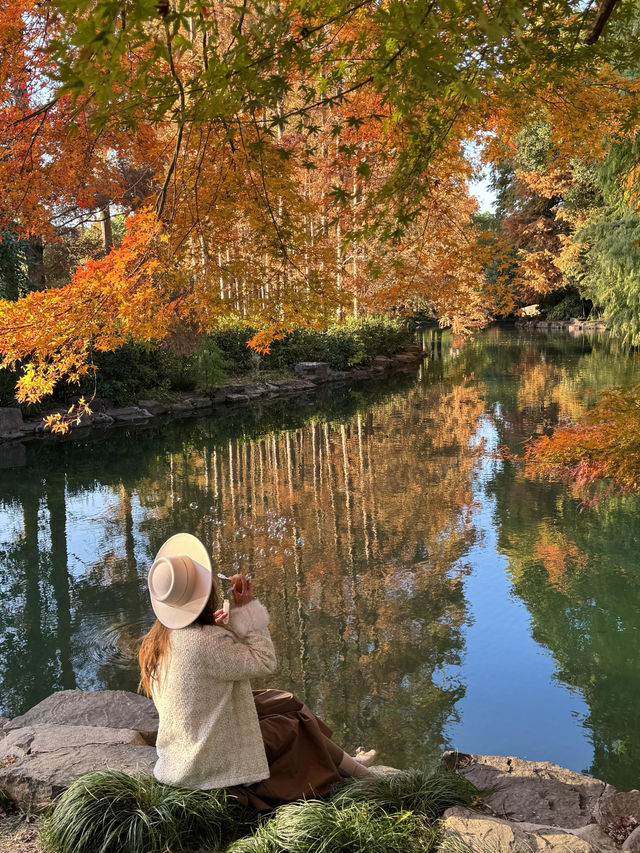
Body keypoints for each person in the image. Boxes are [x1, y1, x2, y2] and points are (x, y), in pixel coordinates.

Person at [138, 532, 377, 810]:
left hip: (182, 752)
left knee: (284, 700)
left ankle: (349, 763)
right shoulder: (206, 641)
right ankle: (364, 776)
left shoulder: (157, 639)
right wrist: (246, 608)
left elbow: (203, 660)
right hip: (207, 762)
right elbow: (264, 660)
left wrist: (219, 628)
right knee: (292, 723)